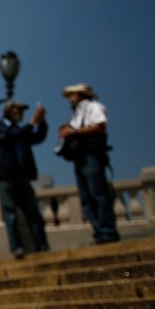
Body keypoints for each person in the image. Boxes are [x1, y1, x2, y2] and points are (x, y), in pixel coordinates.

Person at [58, 83, 120, 244]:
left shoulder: (94, 107)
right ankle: (99, 232)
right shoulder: (76, 115)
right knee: (86, 197)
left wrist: (73, 132)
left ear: (80, 95)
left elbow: (100, 127)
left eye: (72, 95)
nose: (70, 99)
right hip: (80, 157)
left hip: (92, 155)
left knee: (98, 193)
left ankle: (107, 231)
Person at [0, 100, 50, 259]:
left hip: (21, 175)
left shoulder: (20, 130)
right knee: (10, 213)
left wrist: (41, 122)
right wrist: (31, 124)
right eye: (19, 109)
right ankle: (16, 247)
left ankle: (42, 246)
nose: (22, 113)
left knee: (33, 212)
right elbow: (9, 137)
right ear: (9, 111)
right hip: (5, 175)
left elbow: (37, 137)